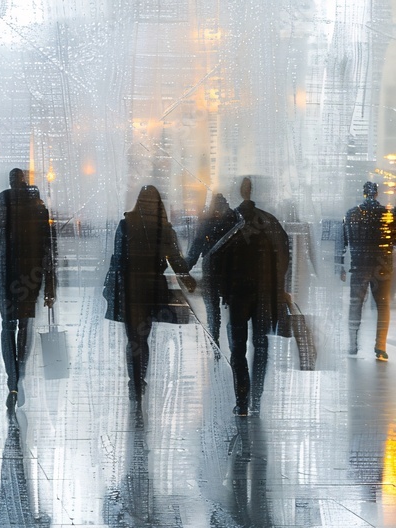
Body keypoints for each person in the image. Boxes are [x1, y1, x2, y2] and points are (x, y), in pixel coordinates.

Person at [0, 169, 55, 409]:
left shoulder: (3, 205)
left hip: (6, 274)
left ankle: (13, 380)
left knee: (7, 326)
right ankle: (21, 373)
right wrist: (50, 285)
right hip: (31, 274)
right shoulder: (38, 208)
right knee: (24, 325)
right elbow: (48, 250)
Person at [106, 185, 195, 402]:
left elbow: (118, 258)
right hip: (152, 289)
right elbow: (174, 259)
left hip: (129, 288)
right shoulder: (164, 229)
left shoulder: (126, 225)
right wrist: (187, 279)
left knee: (132, 338)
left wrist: (112, 287)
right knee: (143, 337)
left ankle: (134, 380)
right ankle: (140, 380)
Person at [211, 177, 290, 416]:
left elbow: (216, 258)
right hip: (264, 293)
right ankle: (256, 396)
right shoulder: (269, 221)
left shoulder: (230, 221)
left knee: (238, 347)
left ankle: (242, 400)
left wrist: (223, 289)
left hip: (237, 295)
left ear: (239, 192)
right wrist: (277, 286)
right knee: (261, 344)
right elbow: (283, 254)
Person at [338, 181, 394, 361]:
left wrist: (339, 266)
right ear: (376, 194)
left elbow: (343, 242)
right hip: (382, 267)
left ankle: (353, 343)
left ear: (363, 193)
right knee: (383, 305)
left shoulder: (351, 214)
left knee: (356, 305)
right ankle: (380, 346)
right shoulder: (387, 215)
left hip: (359, 265)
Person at [185, 193, 238, 347]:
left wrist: (184, 269)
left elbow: (196, 247)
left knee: (213, 311)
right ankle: (232, 346)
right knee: (233, 312)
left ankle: (214, 344)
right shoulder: (233, 220)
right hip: (230, 271)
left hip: (211, 269)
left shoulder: (208, 222)